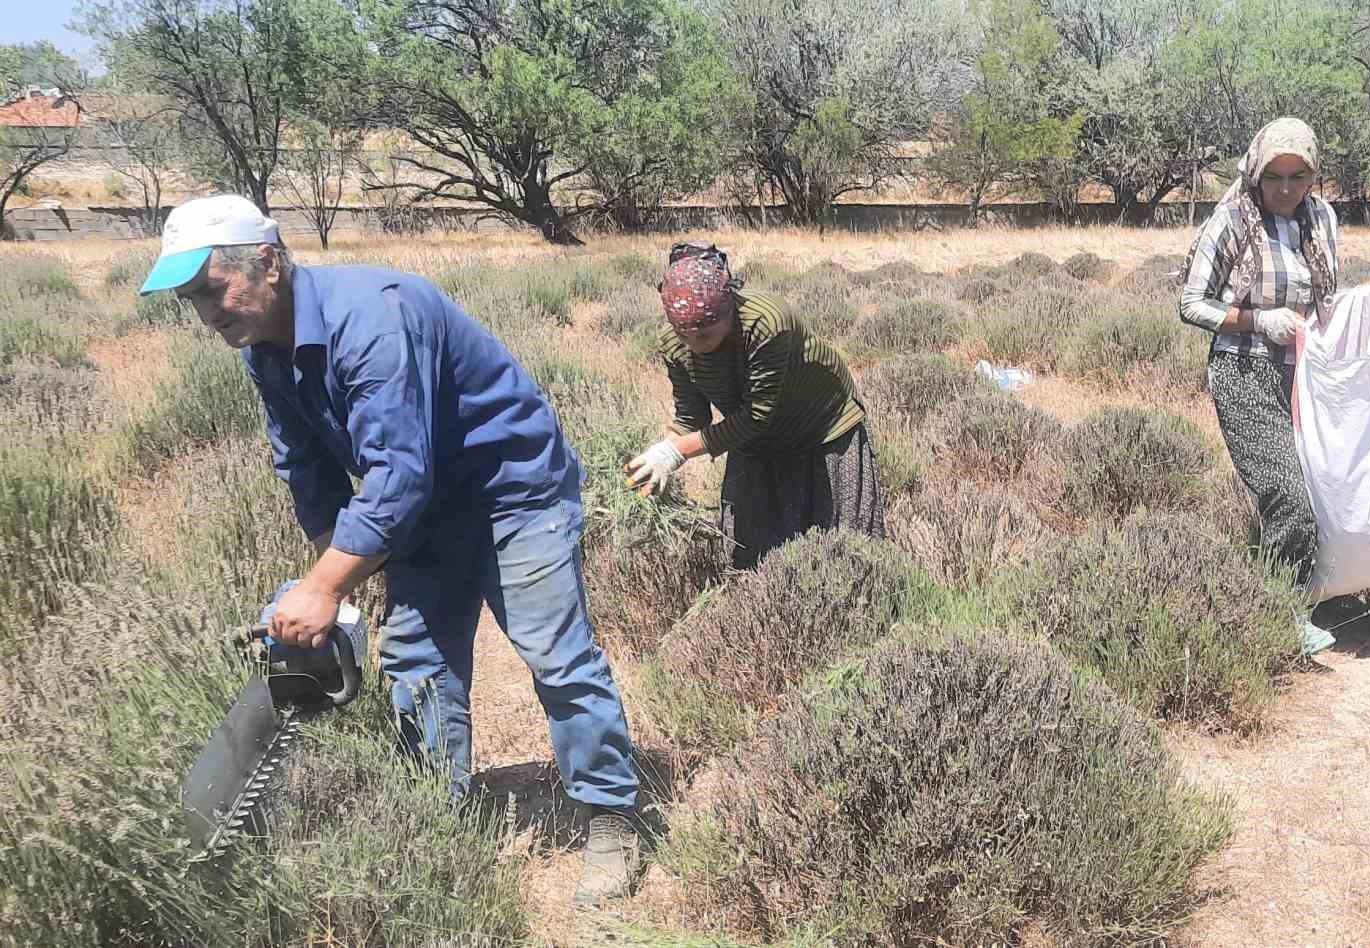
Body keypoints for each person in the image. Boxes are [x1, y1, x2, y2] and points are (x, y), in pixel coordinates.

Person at [137, 194, 640, 906]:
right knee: (416, 662)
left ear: (269, 263)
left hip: (513, 489)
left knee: (554, 652)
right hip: (426, 509)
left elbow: (400, 473)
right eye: (192, 300)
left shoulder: (372, 316)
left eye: (213, 289)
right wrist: (332, 577)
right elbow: (306, 469)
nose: (207, 313)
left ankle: (610, 813)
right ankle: (439, 812)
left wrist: (325, 587)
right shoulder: (264, 350)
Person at [1177, 117, 1341, 656]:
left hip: (1305, 376)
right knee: (1287, 495)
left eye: (1299, 176)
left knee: (1324, 489)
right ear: (1256, 172)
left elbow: (1326, 295)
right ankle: (1282, 616)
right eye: (1276, 176)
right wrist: (1256, 319)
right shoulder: (1231, 221)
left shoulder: (1322, 220)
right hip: (1243, 372)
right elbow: (1192, 303)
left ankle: (1318, 590)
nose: (1287, 189)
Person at [625, 241, 884, 568]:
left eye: (704, 335)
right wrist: (662, 450)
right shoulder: (674, 343)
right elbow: (691, 416)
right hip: (756, 438)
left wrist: (680, 450)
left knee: (841, 552)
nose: (693, 344)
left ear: (728, 308)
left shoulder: (766, 323)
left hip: (821, 428)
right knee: (752, 550)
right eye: (683, 333)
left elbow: (757, 416)